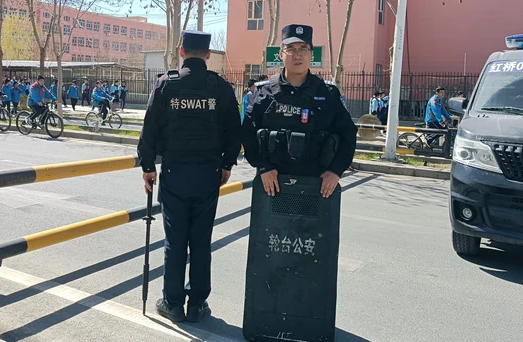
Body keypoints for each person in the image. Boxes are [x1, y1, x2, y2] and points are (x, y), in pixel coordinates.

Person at [137, 30, 242, 324]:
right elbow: (235, 132)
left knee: (175, 240)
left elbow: (149, 128)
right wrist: (227, 164)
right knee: (200, 241)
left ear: (181, 51)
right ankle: (197, 304)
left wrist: (148, 166)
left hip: (174, 172)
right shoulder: (220, 87)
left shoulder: (166, 85)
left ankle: (172, 303)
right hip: (208, 173)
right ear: (208, 55)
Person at [241, 24, 358, 198]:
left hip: (317, 185)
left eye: (303, 49)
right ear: (280, 54)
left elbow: (348, 134)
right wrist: (264, 167)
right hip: (272, 184)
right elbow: (247, 133)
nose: (297, 54)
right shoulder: (263, 93)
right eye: (290, 49)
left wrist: (336, 170)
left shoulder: (328, 94)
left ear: (311, 54)